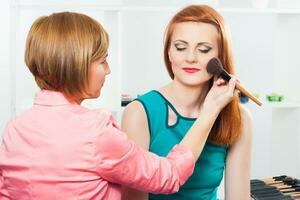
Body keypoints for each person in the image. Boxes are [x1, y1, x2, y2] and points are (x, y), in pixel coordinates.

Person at [0, 11, 238, 200]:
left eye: (203, 49)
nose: (108, 70)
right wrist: (210, 112)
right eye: (102, 61)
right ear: (76, 65)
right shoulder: (98, 133)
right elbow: (169, 175)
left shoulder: (15, 130)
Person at [121, 5, 252, 200]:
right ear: (169, 53)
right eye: (180, 47)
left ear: (220, 57)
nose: (190, 58)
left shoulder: (239, 118)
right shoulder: (139, 113)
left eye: (204, 49)